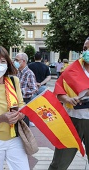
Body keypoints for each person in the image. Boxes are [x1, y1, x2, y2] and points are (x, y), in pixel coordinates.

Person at [48, 37, 89, 170]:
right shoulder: (72, 69)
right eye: (85, 48)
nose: (86, 51)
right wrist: (67, 99)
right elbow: (59, 90)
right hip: (71, 120)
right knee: (59, 163)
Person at [14, 52, 37, 127]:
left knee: (24, 125)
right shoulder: (18, 72)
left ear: (23, 61)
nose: (15, 62)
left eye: (17, 60)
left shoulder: (29, 73)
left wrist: (21, 90)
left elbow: (34, 89)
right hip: (18, 101)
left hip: (25, 101)